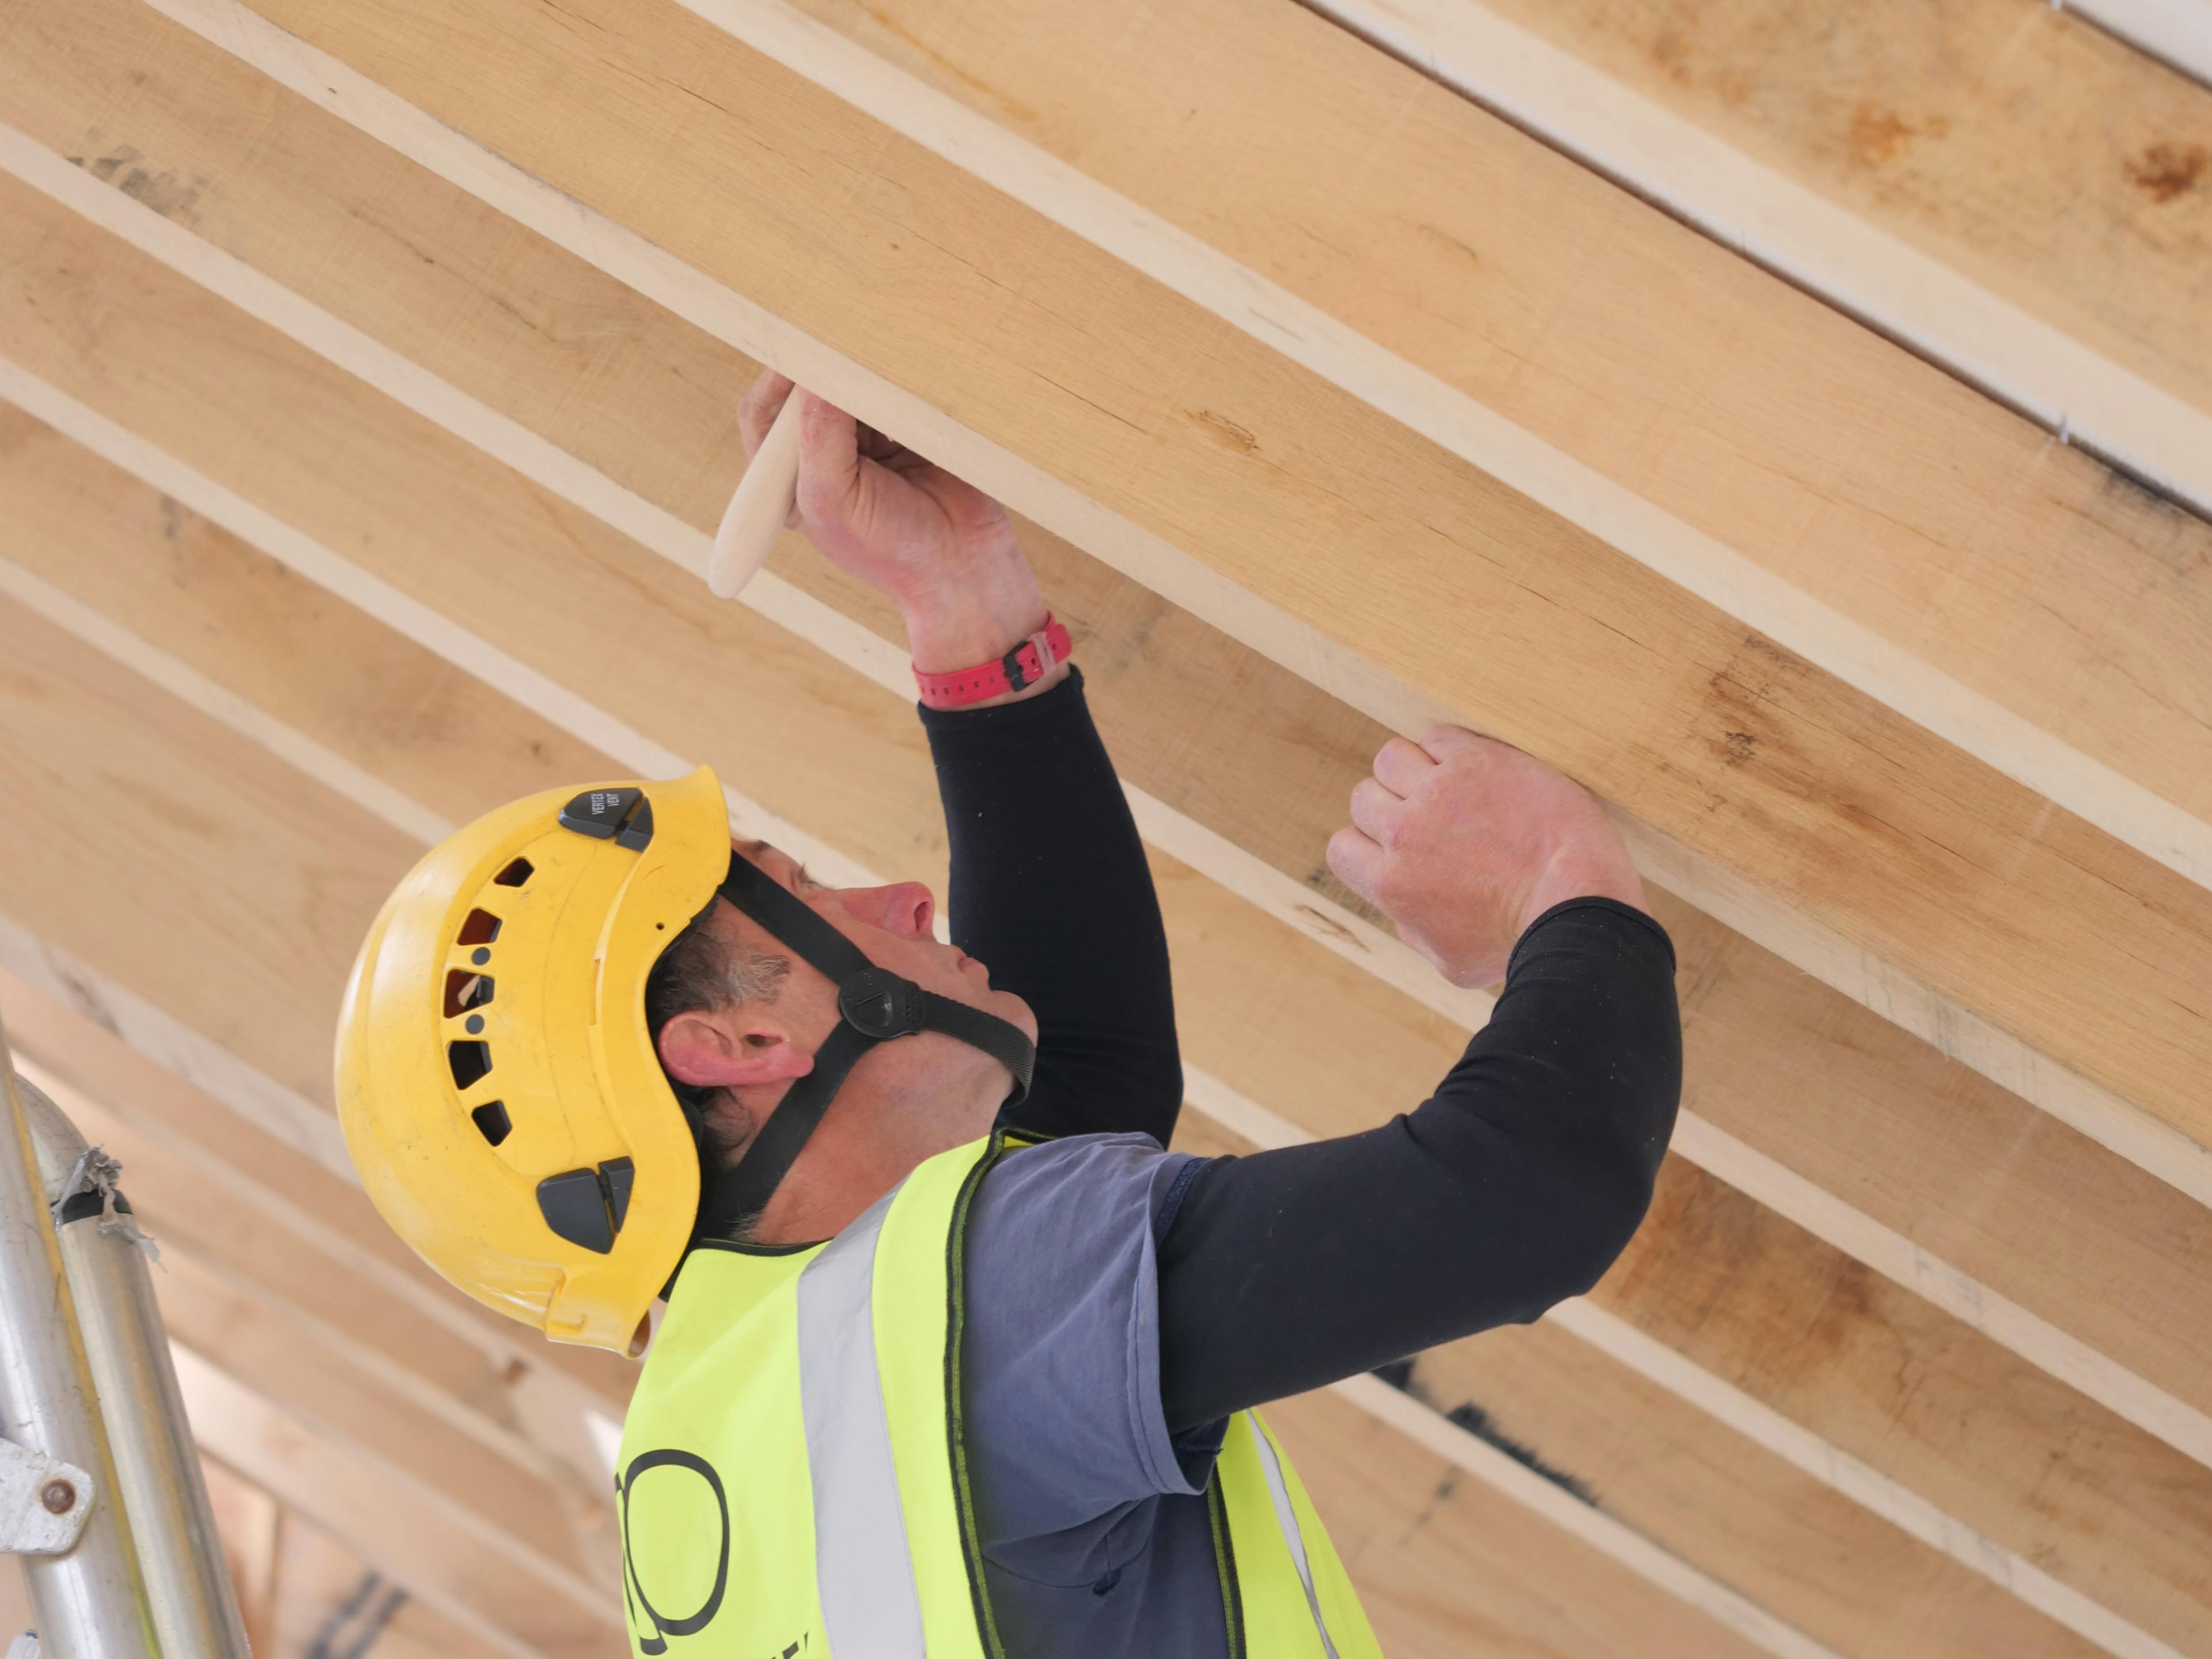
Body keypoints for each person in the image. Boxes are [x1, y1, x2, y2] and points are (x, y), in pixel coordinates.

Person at [335, 374, 1681, 1659]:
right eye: (807, 897)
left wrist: (965, 603)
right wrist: (1556, 893)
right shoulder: (954, 1325)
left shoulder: (772, 1441)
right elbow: (1520, 1197)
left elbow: (1084, 1106)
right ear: (740, 1049)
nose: (905, 900)